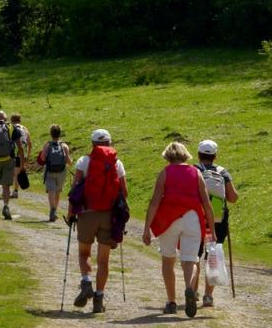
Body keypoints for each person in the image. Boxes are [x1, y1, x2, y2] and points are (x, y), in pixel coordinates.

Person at [142, 142, 215, 317]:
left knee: (168, 260)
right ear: (185, 155)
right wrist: (211, 229)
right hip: (193, 218)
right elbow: (206, 202)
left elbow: (154, 201)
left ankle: (171, 302)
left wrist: (147, 228)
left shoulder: (164, 173)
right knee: (191, 260)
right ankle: (190, 288)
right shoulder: (196, 173)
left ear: (167, 156)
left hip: (169, 219)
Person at [67, 128, 128, 313]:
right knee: (104, 261)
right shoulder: (117, 164)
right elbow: (124, 192)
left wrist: (71, 213)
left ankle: (86, 281)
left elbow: (75, 189)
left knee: (84, 253)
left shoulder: (84, 161)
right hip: (108, 216)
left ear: (92, 144)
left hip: (87, 213)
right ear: (110, 143)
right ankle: (99, 300)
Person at [194, 139, 238, 308]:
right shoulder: (223, 172)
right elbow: (233, 198)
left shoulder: (194, 170)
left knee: (195, 254)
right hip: (218, 219)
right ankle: (208, 296)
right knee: (212, 254)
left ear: (198, 155)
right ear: (215, 156)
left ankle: (193, 289)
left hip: (197, 218)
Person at [38, 124, 72, 221]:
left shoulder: (47, 145)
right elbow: (68, 161)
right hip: (61, 172)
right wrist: (71, 161)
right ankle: (55, 210)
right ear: (60, 134)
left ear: (51, 134)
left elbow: (42, 158)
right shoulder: (64, 146)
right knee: (57, 192)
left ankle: (52, 209)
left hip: (49, 170)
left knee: (51, 191)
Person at [10, 113, 32, 199]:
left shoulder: (11, 128)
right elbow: (30, 143)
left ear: (12, 120)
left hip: (14, 153)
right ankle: (15, 190)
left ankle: (14, 192)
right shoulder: (25, 129)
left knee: (14, 173)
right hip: (23, 154)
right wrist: (28, 155)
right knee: (17, 173)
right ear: (20, 120)